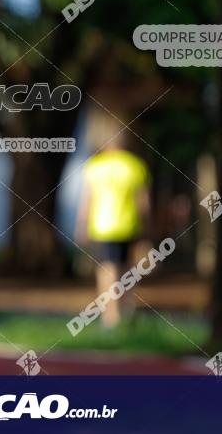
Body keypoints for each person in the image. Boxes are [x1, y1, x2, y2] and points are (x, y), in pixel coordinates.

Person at [75, 126, 151, 328]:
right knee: (126, 269)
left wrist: (81, 225)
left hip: (103, 226)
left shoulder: (95, 166)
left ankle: (111, 316)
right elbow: (144, 203)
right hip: (129, 225)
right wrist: (147, 227)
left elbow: (87, 200)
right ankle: (126, 310)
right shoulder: (135, 165)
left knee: (106, 270)